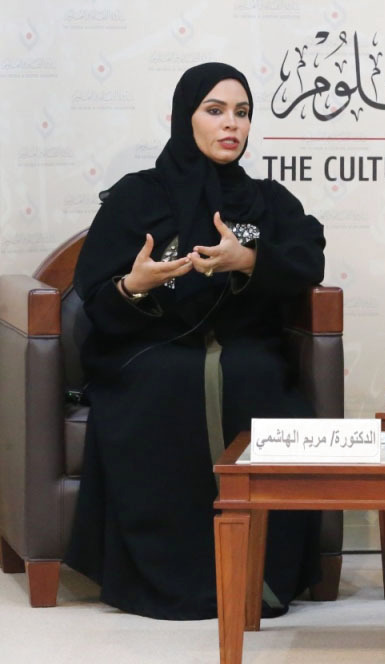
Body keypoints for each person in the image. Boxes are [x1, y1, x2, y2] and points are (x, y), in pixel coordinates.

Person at [65, 62, 327, 620]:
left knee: (256, 381)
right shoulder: (138, 196)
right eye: (215, 110)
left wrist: (248, 260)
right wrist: (135, 285)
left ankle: (261, 578)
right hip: (151, 351)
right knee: (167, 383)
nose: (231, 124)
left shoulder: (267, 200)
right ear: (186, 118)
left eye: (242, 113)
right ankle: (168, 579)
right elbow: (96, 297)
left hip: (247, 349)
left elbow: (309, 259)